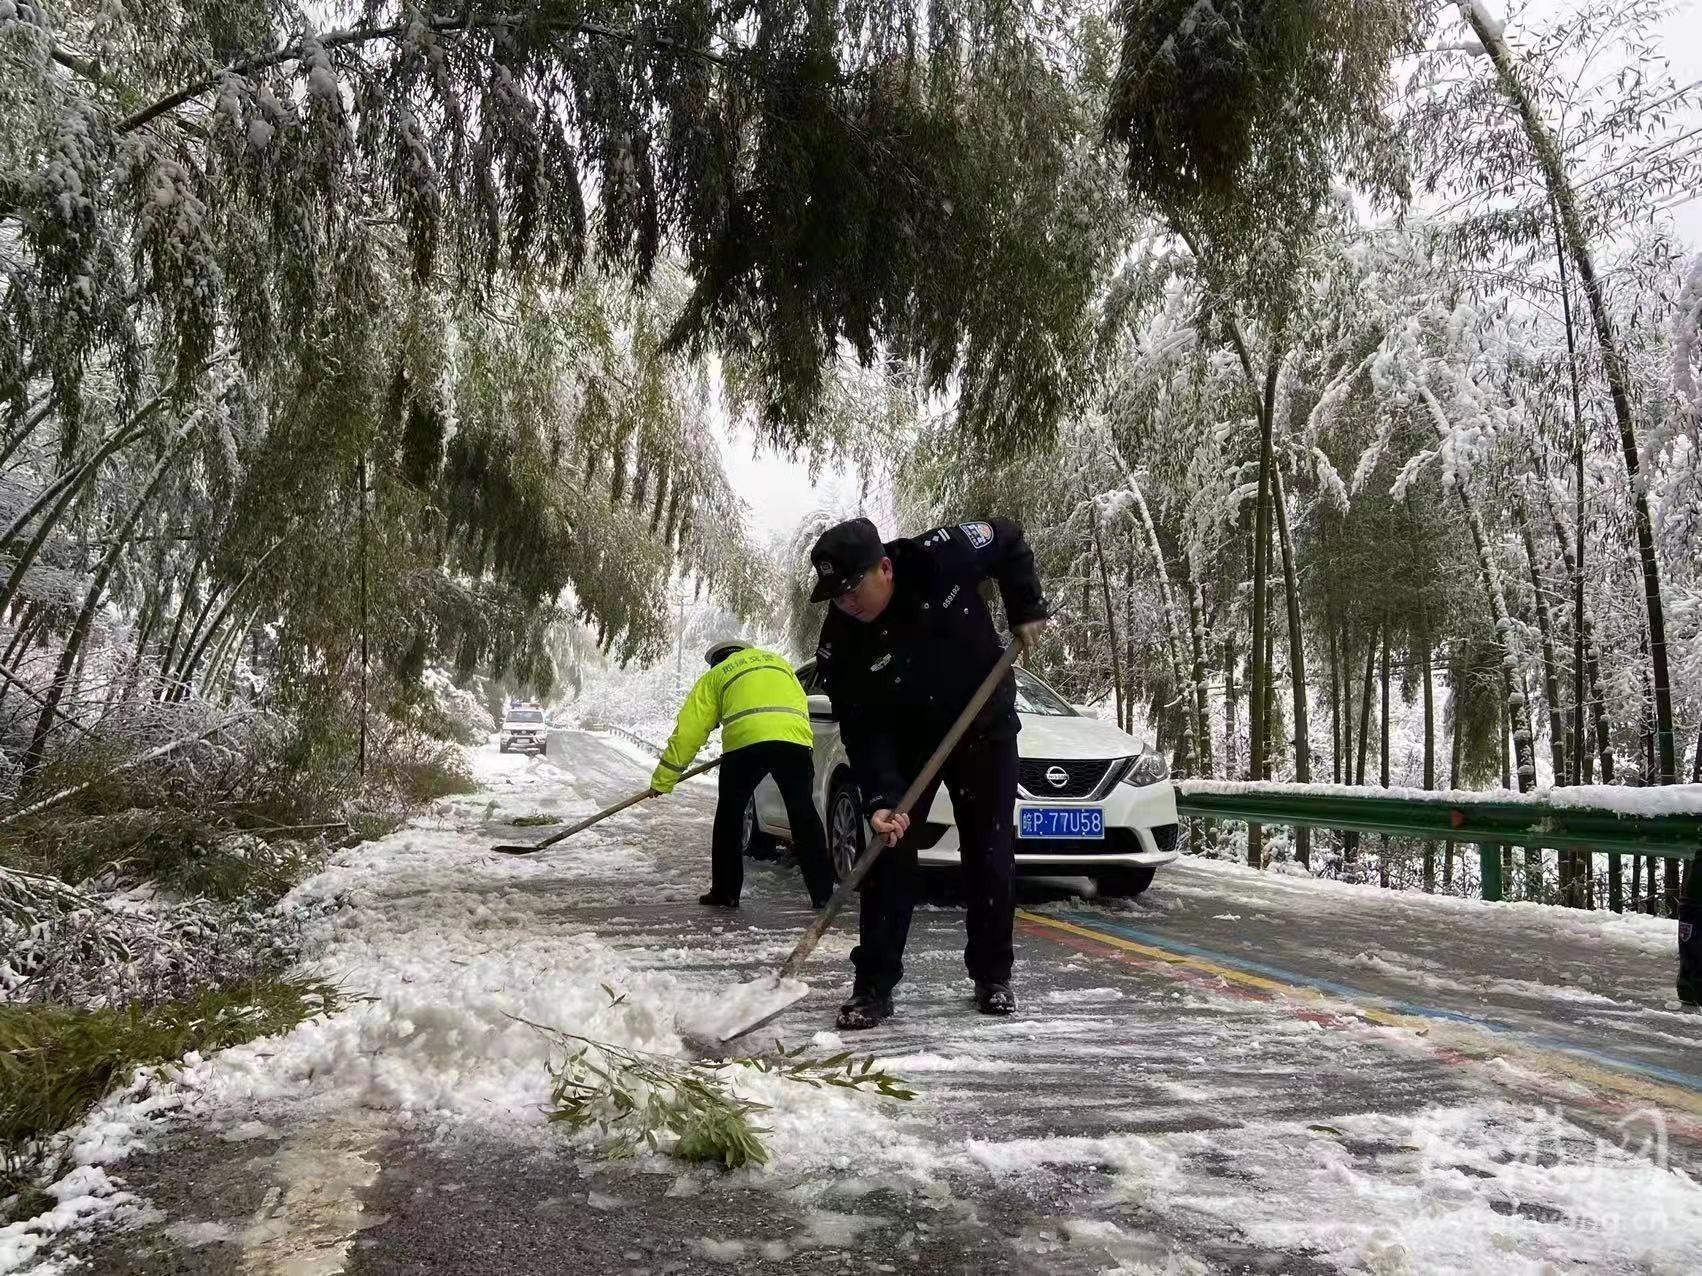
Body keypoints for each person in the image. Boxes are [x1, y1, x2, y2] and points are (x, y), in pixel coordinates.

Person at [810, 517, 1048, 1030]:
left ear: (886, 568)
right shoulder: (840, 641)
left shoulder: (939, 556)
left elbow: (1007, 537)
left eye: (853, 587)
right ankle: (873, 988)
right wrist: (881, 797)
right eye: (836, 594)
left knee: (989, 849)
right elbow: (861, 725)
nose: (846, 602)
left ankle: (992, 976)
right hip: (907, 742)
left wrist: (1025, 606)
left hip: (983, 725)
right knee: (888, 851)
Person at [649, 640, 835, 911]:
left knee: (730, 817)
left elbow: (689, 732)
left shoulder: (717, 675)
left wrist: (663, 780)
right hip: (794, 742)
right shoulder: (778, 663)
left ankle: (726, 893)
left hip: (745, 745)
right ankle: (823, 895)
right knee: (803, 814)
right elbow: (798, 704)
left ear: (716, 660)